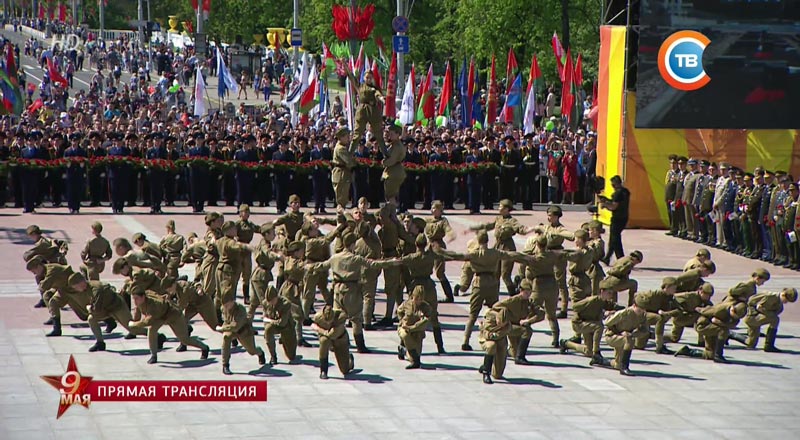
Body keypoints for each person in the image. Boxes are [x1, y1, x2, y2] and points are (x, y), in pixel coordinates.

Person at [129, 289, 210, 365]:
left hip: (174, 315)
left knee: (184, 340)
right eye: (133, 298)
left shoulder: (153, 305)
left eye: (136, 298)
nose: (135, 301)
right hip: (160, 317)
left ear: (143, 297)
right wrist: (135, 321)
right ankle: (153, 355)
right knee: (152, 330)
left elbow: (147, 322)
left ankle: (204, 347)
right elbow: (139, 313)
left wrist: (134, 324)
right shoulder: (141, 302)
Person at [69, 273, 145, 352]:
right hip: (106, 309)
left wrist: (89, 308)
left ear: (81, 283)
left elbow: (96, 309)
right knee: (91, 319)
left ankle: (155, 336)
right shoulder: (87, 289)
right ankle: (100, 343)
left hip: (117, 306)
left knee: (133, 329)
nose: (76, 290)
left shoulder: (95, 289)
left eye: (76, 287)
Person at [469, 199, 531, 295]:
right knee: (495, 273)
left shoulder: (512, 221)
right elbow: (489, 226)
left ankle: (513, 294)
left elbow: (520, 229)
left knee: (505, 274)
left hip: (507, 247)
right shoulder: (498, 218)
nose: (499, 208)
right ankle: (493, 295)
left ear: (506, 209)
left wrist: (531, 229)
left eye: (501, 207)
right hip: (497, 246)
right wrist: (475, 228)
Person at [559, 281, 617, 365]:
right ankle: (596, 352)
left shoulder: (604, 302)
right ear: (602, 291)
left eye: (612, 293)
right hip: (579, 323)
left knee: (588, 352)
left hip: (589, 324)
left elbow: (614, 307)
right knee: (599, 327)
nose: (611, 295)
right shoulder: (591, 300)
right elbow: (575, 307)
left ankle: (566, 344)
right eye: (609, 293)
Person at [674, 301, 747, 363]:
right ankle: (718, 355)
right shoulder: (720, 309)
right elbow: (703, 311)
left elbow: (731, 325)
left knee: (710, 354)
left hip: (714, 328)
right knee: (723, 331)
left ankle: (687, 351)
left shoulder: (735, 317)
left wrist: (719, 322)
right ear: (733, 309)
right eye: (735, 315)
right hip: (703, 325)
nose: (735, 318)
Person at [729, 287, 797, 352]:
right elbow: (754, 304)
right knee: (775, 319)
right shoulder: (771, 296)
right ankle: (769, 344)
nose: (786, 302)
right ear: (783, 294)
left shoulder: (779, 303)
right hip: (753, 317)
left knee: (751, 343)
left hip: (757, 319)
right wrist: (755, 312)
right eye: (786, 300)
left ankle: (730, 334)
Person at [217, 298, 266, 375]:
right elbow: (226, 321)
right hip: (231, 330)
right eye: (224, 305)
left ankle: (260, 353)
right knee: (226, 338)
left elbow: (236, 326)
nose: (225, 307)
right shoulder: (223, 308)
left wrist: (222, 328)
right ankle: (225, 365)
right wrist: (224, 328)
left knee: (252, 350)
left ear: (232, 301)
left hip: (243, 331)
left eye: (227, 304)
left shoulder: (240, 309)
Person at [599, 302, 649, 376]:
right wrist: (620, 333)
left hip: (624, 338)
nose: (641, 311)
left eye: (643, 309)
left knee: (617, 364)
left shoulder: (642, 316)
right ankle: (624, 367)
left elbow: (644, 330)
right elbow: (607, 323)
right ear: (634, 306)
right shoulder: (624, 313)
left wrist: (633, 334)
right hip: (612, 336)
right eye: (639, 309)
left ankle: (600, 361)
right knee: (630, 341)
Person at [312, 304, 354, 379]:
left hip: (340, 339)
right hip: (327, 338)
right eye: (326, 321)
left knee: (344, 370)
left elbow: (331, 334)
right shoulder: (318, 316)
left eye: (330, 321)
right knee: (323, 341)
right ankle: (323, 370)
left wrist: (320, 330)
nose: (328, 323)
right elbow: (313, 325)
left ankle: (349, 360)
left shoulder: (341, 317)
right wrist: (318, 329)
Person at [396, 286, 433, 370]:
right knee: (406, 337)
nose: (418, 301)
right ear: (413, 296)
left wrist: (412, 328)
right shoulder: (406, 304)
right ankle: (414, 361)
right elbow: (399, 311)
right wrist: (402, 321)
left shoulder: (426, 307)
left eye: (421, 299)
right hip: (404, 329)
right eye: (416, 298)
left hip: (417, 331)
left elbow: (425, 321)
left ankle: (403, 349)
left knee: (417, 352)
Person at [348, 70, 384, 151]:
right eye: (367, 77)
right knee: (357, 134)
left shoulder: (374, 88)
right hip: (362, 110)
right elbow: (351, 76)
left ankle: (385, 153)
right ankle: (350, 152)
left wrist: (381, 98)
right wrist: (345, 65)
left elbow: (377, 94)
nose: (368, 79)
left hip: (373, 110)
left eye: (370, 78)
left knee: (378, 134)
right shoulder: (360, 86)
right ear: (364, 78)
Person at [600, 175, 630, 264]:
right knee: (614, 238)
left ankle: (621, 259)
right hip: (624, 217)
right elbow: (616, 202)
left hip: (617, 218)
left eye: (613, 185)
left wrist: (605, 205)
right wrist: (607, 200)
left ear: (616, 184)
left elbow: (614, 206)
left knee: (615, 239)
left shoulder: (618, 193)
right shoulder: (626, 192)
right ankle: (607, 258)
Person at [478, 306, 511, 384]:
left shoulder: (507, 323)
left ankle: (485, 365)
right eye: (500, 322)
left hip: (501, 342)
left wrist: (496, 333)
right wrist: (495, 334)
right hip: (488, 340)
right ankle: (486, 373)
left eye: (504, 323)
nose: (501, 324)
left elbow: (506, 330)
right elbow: (486, 334)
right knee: (491, 346)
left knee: (497, 374)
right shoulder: (490, 316)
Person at [381, 124, 406, 203]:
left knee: (391, 195)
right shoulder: (393, 144)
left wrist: (384, 162)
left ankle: (392, 212)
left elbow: (392, 160)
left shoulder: (397, 146)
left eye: (392, 134)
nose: (390, 136)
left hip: (394, 172)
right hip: (392, 171)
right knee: (390, 195)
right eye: (389, 134)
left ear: (398, 134)